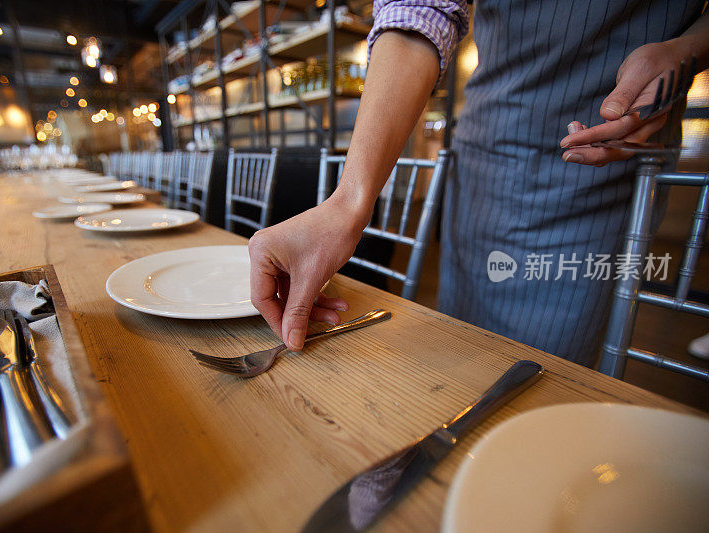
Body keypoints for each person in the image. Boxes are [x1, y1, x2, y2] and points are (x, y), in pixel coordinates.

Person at [248, 0, 709, 366]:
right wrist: (348, 202)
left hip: (613, 171)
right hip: (489, 160)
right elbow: (419, 12)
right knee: (460, 357)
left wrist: (687, 50)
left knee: (542, 378)